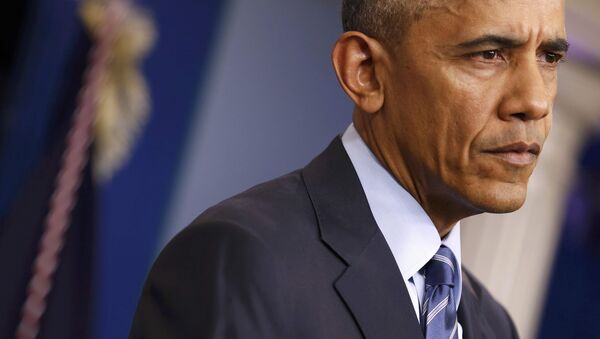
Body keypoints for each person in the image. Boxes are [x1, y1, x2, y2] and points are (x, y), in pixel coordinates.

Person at [130, 0, 568, 338]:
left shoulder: (492, 324)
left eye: (549, 58)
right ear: (366, 72)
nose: (535, 100)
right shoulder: (242, 261)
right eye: (488, 54)